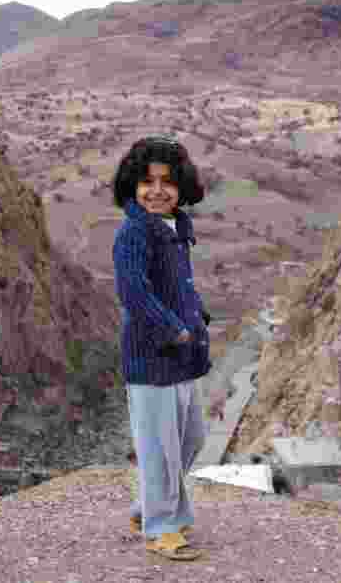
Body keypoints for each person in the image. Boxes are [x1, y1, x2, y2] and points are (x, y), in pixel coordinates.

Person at [112, 136, 228, 561]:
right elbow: (134, 294)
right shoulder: (133, 233)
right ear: (132, 185)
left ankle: (147, 507)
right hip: (152, 357)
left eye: (167, 182)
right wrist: (175, 330)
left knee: (191, 438)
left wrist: (198, 316)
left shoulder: (175, 227)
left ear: (183, 187)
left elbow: (179, 285)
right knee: (160, 449)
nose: (157, 190)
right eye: (147, 182)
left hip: (182, 358)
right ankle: (162, 528)